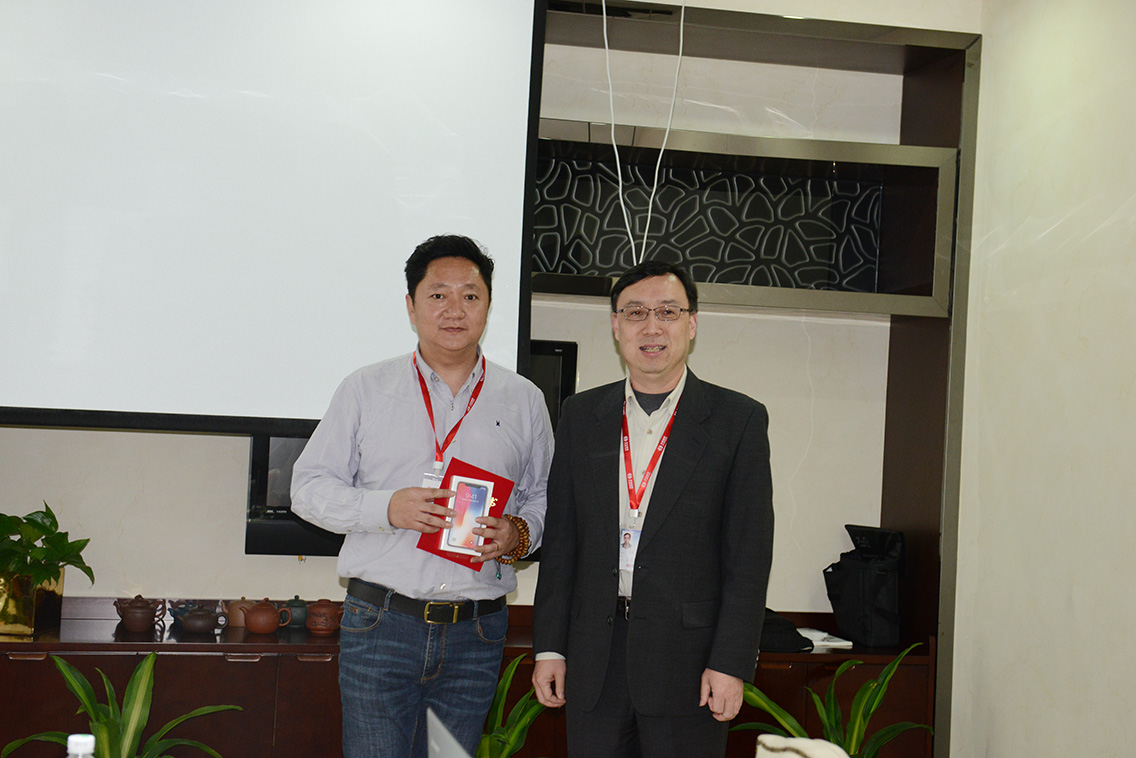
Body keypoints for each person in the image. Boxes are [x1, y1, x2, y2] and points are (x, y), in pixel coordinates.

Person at [291, 234, 552, 758]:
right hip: (381, 623)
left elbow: (543, 495)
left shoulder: (524, 399)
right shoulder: (364, 388)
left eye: (470, 296)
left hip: (477, 631)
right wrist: (386, 508)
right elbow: (308, 488)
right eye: (438, 295)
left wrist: (517, 534)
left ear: (488, 306)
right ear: (411, 306)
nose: (455, 310)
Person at [531, 259, 774, 758]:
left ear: (692, 324)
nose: (651, 327)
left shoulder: (738, 420)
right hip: (593, 659)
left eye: (667, 312)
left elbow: (748, 556)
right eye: (635, 312)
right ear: (615, 325)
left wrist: (730, 663)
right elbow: (562, 542)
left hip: (689, 666)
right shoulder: (581, 415)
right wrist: (550, 647)